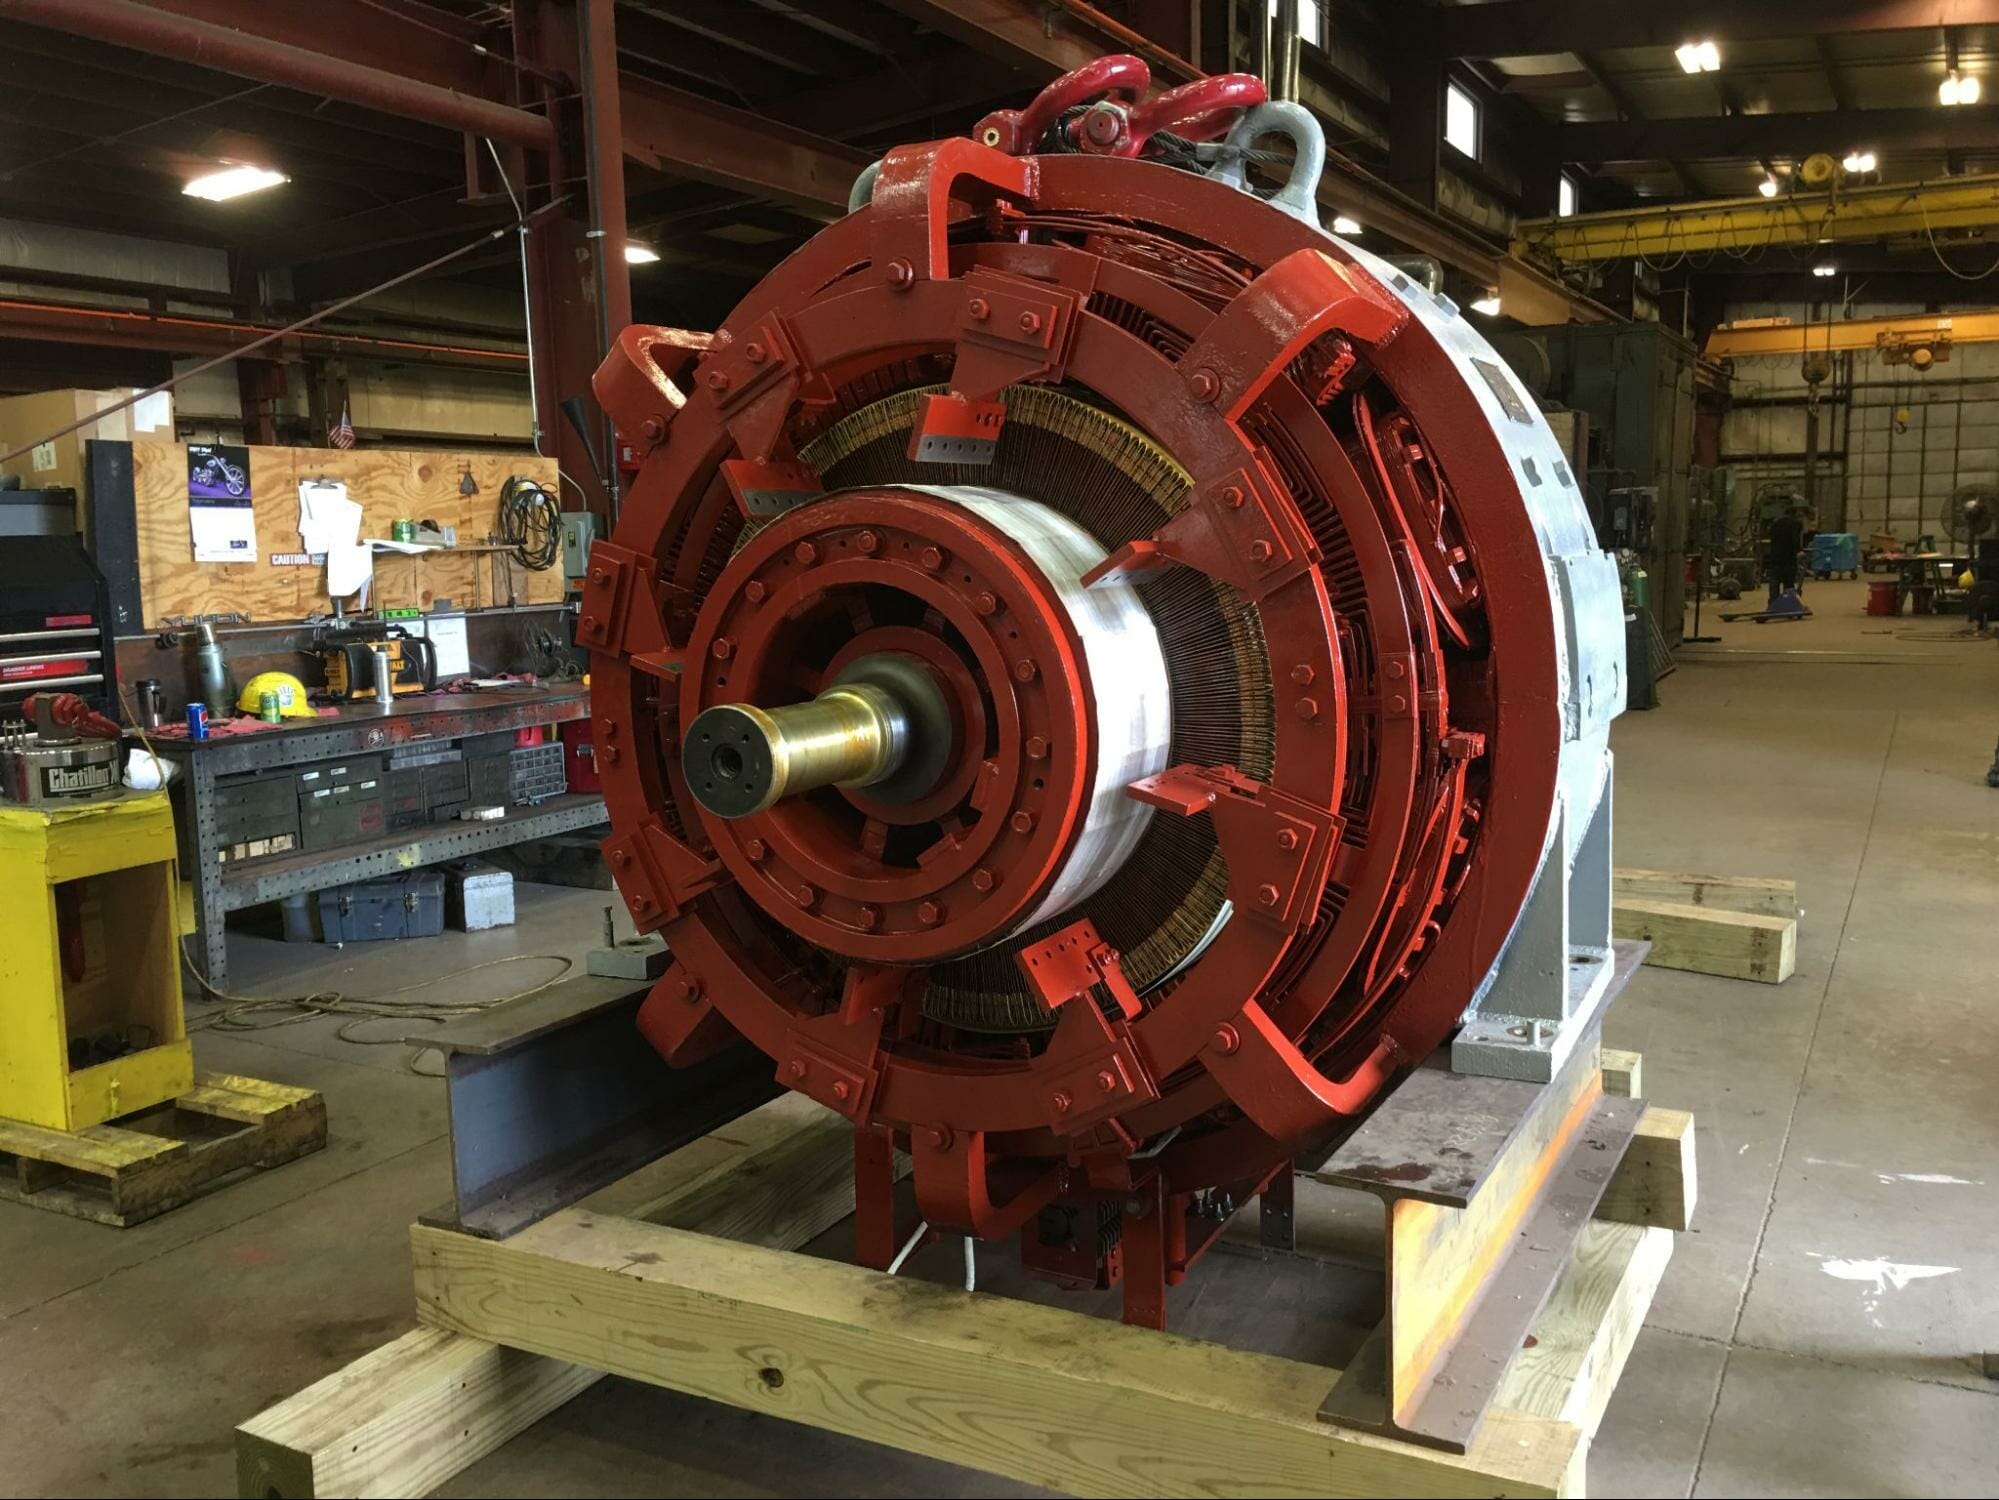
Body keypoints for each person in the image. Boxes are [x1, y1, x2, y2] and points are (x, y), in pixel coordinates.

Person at [1766, 507, 1805, 606]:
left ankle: (1773, 603)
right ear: (1794, 514)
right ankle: (1788, 603)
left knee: (1774, 580)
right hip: (1788, 557)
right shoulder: (1794, 524)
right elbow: (1794, 539)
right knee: (1788, 582)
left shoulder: (1775, 524)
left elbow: (1770, 536)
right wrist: (1799, 551)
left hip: (1775, 556)